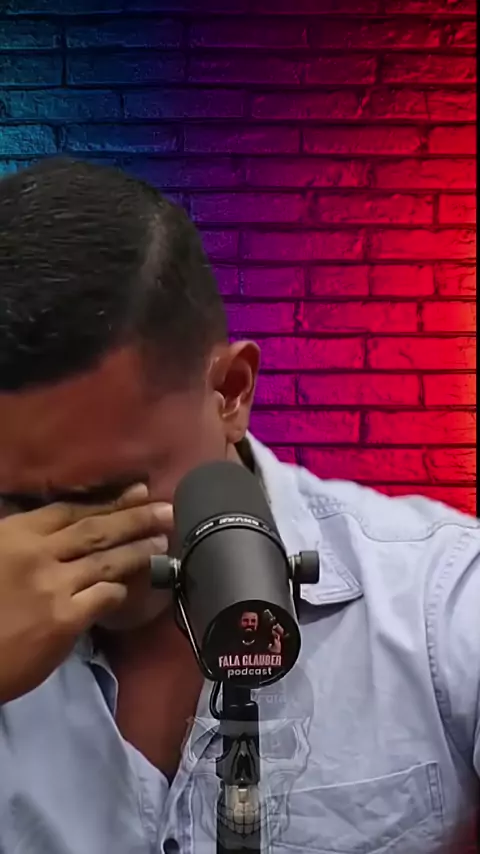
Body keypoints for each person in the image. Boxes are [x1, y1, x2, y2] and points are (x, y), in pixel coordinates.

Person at [0, 158, 477, 854]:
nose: (44, 538)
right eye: (13, 498)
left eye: (100, 495)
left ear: (230, 391)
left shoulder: (440, 606)